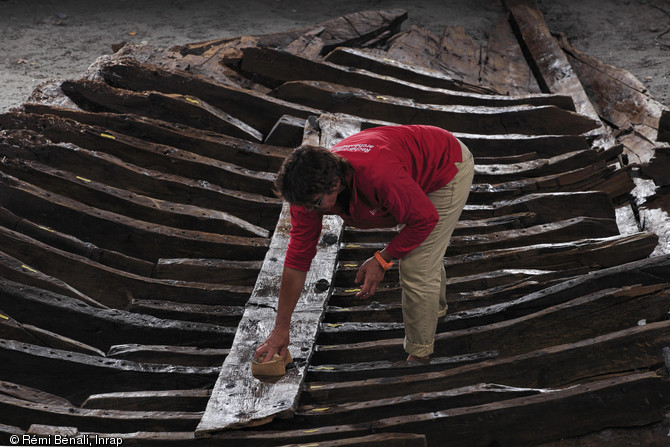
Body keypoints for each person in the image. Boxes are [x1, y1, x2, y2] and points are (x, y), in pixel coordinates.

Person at [254, 124, 474, 364]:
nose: (307, 211)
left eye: (314, 205)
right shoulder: (307, 195)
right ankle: (435, 312)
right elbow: (297, 259)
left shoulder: (378, 174)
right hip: (407, 171)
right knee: (423, 252)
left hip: (446, 166)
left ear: (335, 185)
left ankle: (419, 356)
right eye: (302, 206)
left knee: (416, 265)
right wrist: (281, 327)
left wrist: (381, 259)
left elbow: (424, 220)